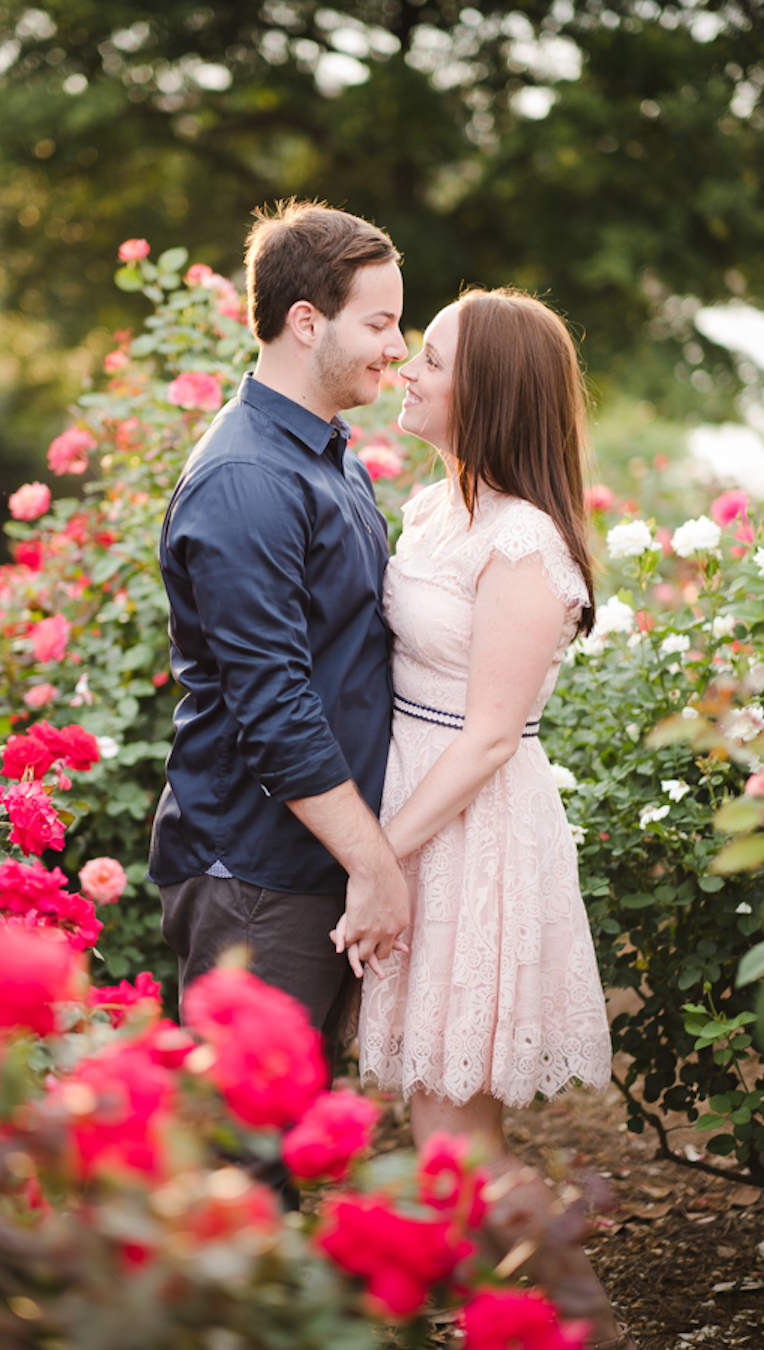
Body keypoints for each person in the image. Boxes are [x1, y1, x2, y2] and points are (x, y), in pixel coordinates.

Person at [332, 288, 636, 1350]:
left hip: (467, 824)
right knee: (430, 1098)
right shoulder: (434, 508)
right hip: (415, 796)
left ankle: (526, 1310)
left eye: (433, 359)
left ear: (490, 390)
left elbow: (492, 735)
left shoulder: (525, 543)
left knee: (454, 1109)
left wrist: (378, 855)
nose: (407, 372)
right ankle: (480, 1299)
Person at [148, 199, 410, 1053]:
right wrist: (376, 866)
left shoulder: (324, 453)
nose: (397, 348)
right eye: (380, 323)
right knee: (244, 1159)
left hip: (307, 858)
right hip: (255, 869)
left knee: (286, 1143)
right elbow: (275, 705)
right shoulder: (247, 479)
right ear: (307, 322)